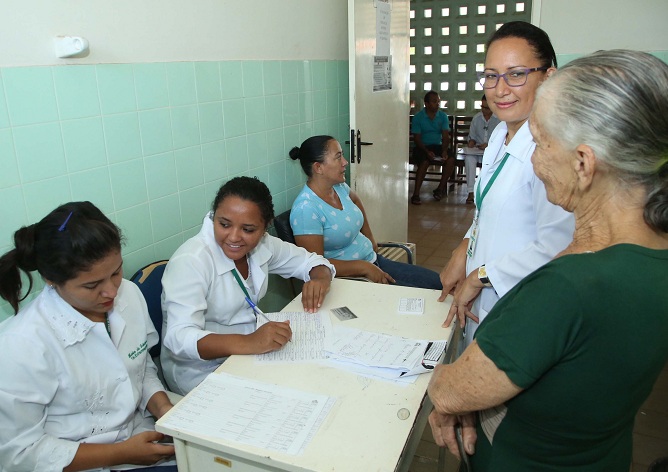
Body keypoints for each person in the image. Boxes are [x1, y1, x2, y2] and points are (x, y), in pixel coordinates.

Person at [427, 49, 668, 472]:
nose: (533, 161)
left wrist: (451, 390)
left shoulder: (567, 288)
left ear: (583, 163)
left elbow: (450, 390)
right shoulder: (652, 255)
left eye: (538, 143)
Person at [0, 201, 177, 472]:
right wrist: (119, 454)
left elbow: (141, 369)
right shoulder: (22, 344)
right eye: (92, 285)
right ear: (51, 279)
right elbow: (20, 454)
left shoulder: (129, 293)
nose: (111, 292)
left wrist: (163, 407)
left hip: (138, 436)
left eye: (116, 271)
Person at [438, 21, 574, 348]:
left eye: (516, 74)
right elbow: (488, 209)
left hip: (521, 305)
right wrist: (463, 248)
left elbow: (560, 248)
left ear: (549, 77)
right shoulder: (500, 133)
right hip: (482, 301)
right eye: (490, 75)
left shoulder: (552, 152)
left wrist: (482, 276)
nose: (499, 89)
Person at [161, 176, 334, 395]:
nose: (234, 237)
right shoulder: (192, 261)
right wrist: (250, 342)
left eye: (248, 229)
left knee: (316, 380)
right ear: (214, 216)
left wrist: (320, 279)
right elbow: (179, 339)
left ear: (264, 228)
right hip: (200, 371)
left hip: (248, 353)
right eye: (224, 224)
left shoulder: (263, 244)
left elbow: (313, 262)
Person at [289, 135, 442, 290]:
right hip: (350, 280)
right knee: (421, 298)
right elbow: (316, 265)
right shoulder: (306, 209)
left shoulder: (338, 187)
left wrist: (369, 237)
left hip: (373, 262)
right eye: (338, 157)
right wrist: (363, 268)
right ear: (318, 167)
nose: (345, 162)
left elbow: (355, 201)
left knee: (436, 283)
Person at [410, 90, 455, 204]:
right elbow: (417, 138)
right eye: (434, 101)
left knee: (450, 160)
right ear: (427, 103)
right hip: (422, 147)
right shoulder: (418, 117)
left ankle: (439, 189)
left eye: (438, 101)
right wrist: (426, 151)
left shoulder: (442, 116)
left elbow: (445, 136)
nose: (438, 104)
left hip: (437, 146)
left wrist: (444, 151)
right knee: (424, 161)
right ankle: (416, 194)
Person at [464, 95, 501, 203]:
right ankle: (471, 192)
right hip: (478, 151)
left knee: (493, 160)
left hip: (493, 152)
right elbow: (472, 137)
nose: (483, 110)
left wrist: (489, 145)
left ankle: (488, 191)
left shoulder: (499, 119)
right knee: (469, 158)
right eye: (482, 107)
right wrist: (471, 142)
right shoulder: (477, 118)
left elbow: (503, 139)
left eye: (486, 108)